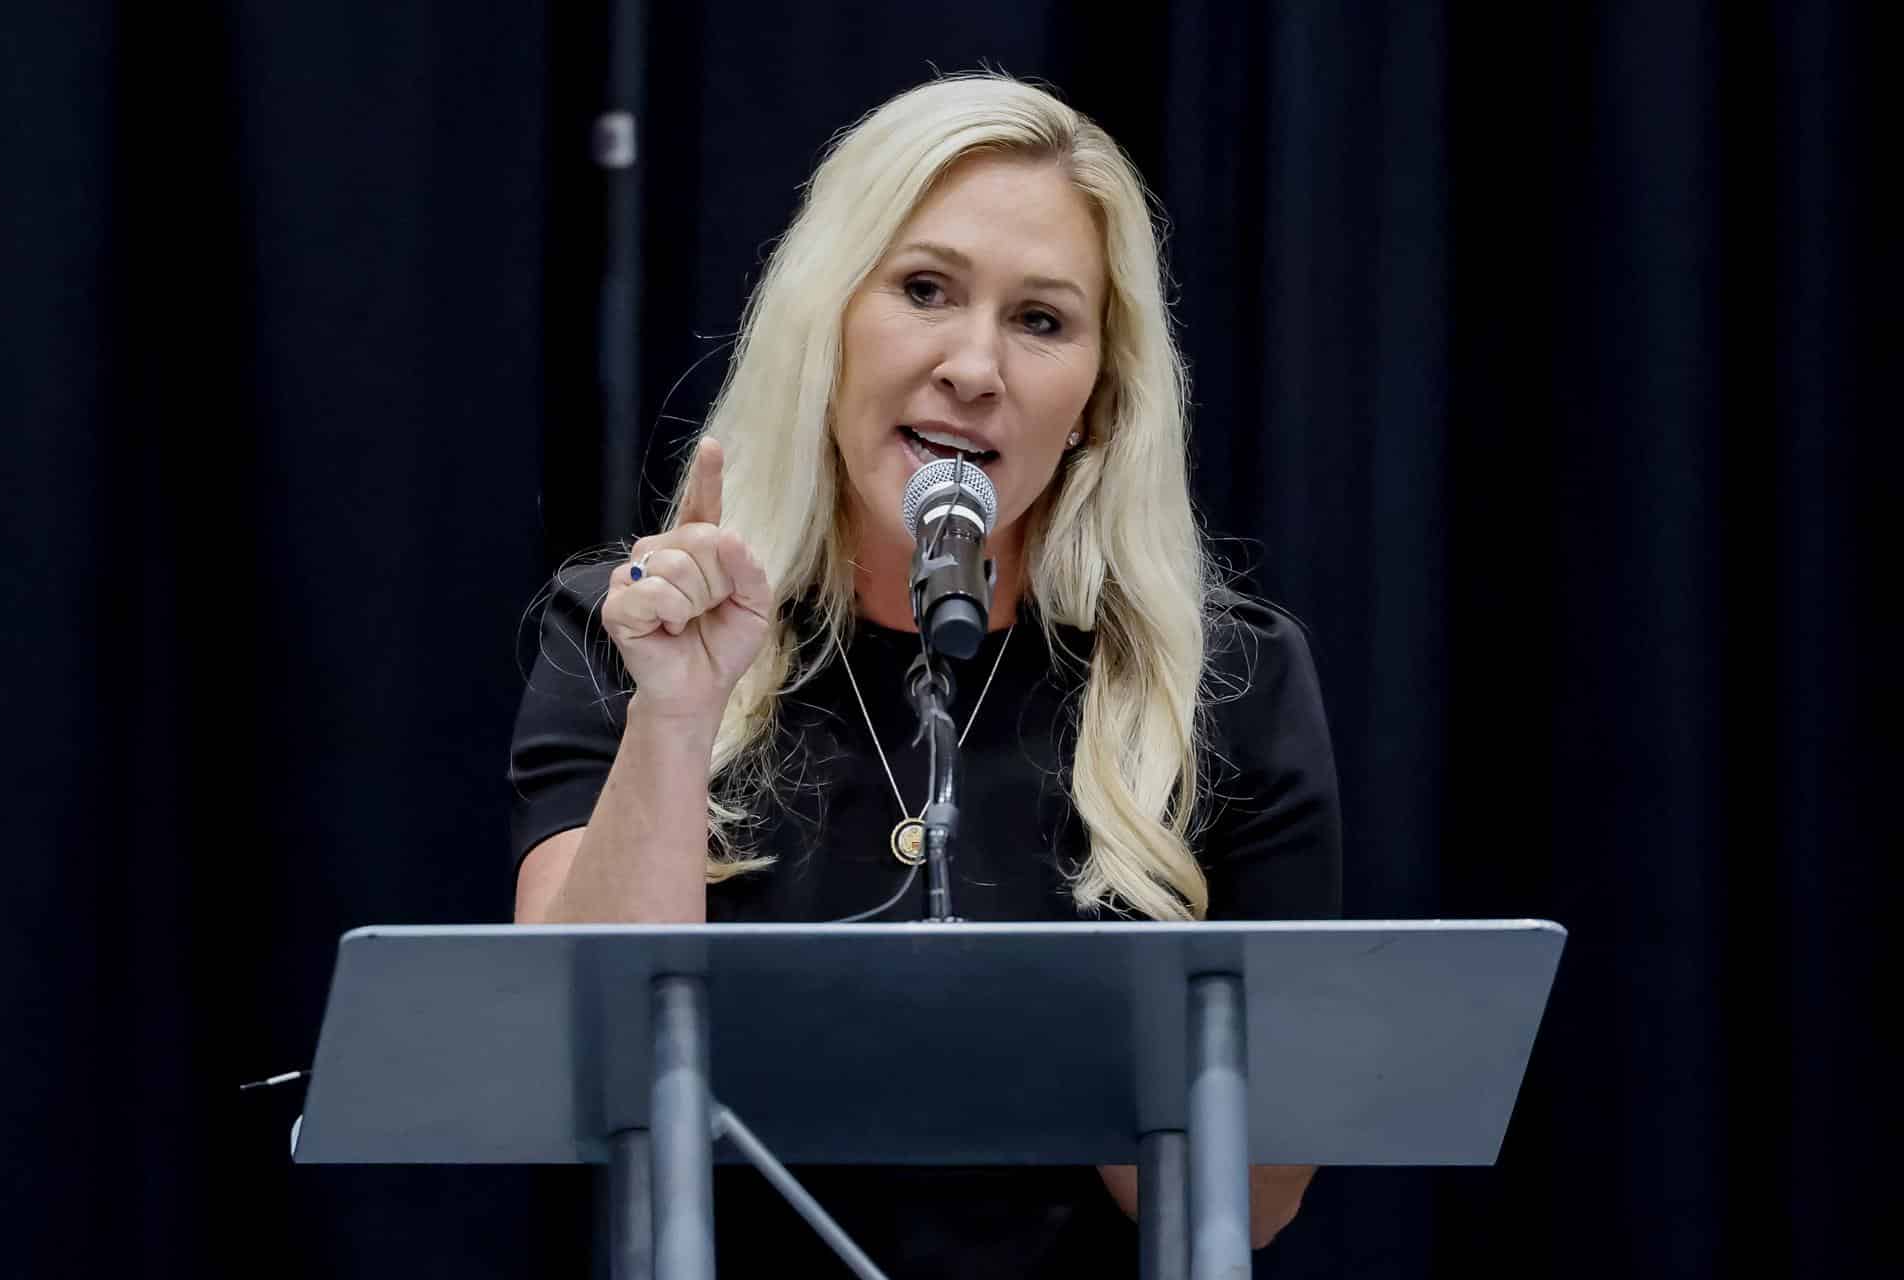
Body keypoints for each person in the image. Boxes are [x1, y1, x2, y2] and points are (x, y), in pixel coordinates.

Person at [507, 71, 1341, 1276]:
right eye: (925, 290)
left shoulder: (1224, 681)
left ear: (1098, 404)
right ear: (826, 319)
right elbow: (570, 1060)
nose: (974, 365)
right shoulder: (631, 625)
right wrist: (676, 718)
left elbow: (1257, 1191)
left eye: (1041, 320)